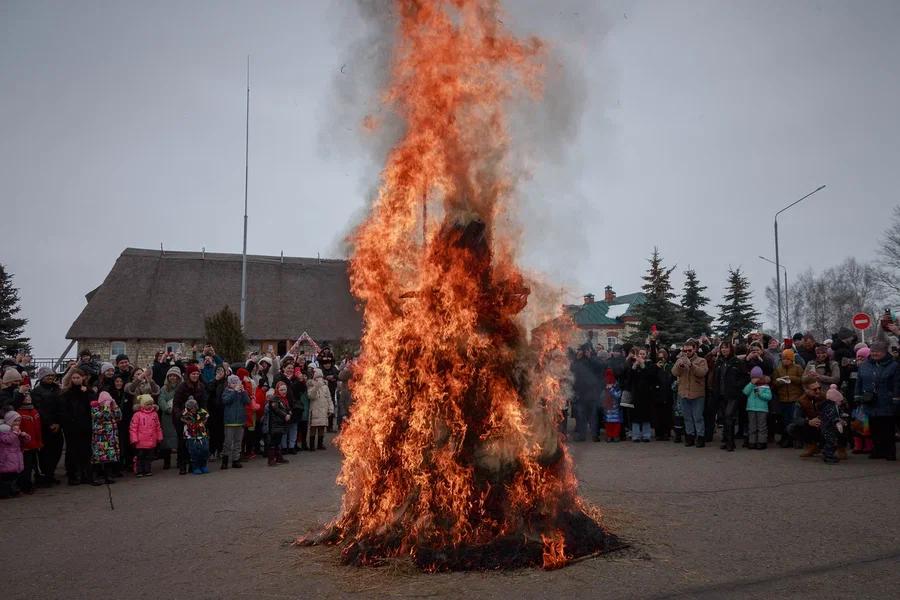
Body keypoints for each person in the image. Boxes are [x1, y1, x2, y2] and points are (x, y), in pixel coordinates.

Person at [855, 340, 899, 461]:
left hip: (887, 401)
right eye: (873, 351)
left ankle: (890, 451)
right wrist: (857, 396)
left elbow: (897, 384)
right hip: (870, 400)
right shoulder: (865, 365)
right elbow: (859, 381)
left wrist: (896, 398)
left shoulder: (894, 365)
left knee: (887, 428)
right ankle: (878, 450)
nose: (874, 354)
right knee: (874, 428)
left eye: (877, 352)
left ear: (884, 352)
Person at [672, 339, 709, 447]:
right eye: (685, 351)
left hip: (697, 394)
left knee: (698, 417)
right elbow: (674, 373)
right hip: (683, 393)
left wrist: (691, 365)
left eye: (689, 350)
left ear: (695, 349)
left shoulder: (701, 360)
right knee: (687, 417)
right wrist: (679, 365)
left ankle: (700, 437)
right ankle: (690, 437)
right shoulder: (680, 359)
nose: (687, 353)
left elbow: (702, 373)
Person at [62, 368, 96, 485]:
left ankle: (85, 475)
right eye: (74, 378)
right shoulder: (67, 393)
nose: (76, 380)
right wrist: (69, 421)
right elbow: (64, 410)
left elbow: (94, 405)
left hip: (85, 425)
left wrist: (87, 392)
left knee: (85, 450)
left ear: (83, 378)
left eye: (78, 377)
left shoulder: (88, 391)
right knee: (72, 451)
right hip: (71, 427)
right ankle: (73, 475)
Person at [30, 367, 63, 486]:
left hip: (57, 425)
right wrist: (50, 423)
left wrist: (58, 422)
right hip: (45, 427)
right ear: (41, 377)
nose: (50, 378)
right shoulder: (37, 392)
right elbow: (40, 410)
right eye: (47, 376)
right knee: (45, 453)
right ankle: (45, 475)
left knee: (57, 450)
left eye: (51, 376)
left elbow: (61, 407)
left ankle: (50, 473)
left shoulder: (57, 389)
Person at [714, 342, 748, 452]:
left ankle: (730, 442)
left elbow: (744, 378)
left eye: (726, 348)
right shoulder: (719, 361)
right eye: (722, 348)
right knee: (724, 418)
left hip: (733, 395)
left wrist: (736, 387)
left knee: (729, 416)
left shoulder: (737, 362)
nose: (724, 350)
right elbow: (716, 378)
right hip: (721, 394)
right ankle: (726, 440)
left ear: (731, 349)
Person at [173, 364, 206, 474]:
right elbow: (176, 404)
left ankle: (193, 464)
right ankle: (182, 465)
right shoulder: (182, 387)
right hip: (183, 419)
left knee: (195, 442)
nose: (195, 375)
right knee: (183, 443)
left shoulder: (201, 386)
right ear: (188, 375)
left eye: (197, 373)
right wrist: (181, 415)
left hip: (196, 419)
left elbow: (203, 403)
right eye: (193, 374)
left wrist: (203, 416)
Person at [772, 349, 805, 448]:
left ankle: (797, 439)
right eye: (783, 359)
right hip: (783, 399)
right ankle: (787, 439)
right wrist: (780, 381)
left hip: (795, 398)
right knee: (785, 420)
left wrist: (792, 378)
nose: (785, 360)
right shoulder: (778, 369)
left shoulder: (798, 368)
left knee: (795, 420)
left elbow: (803, 380)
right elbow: (774, 383)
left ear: (792, 359)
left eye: (787, 359)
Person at [90, 391, 122, 485]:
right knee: (97, 457)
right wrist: (105, 407)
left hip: (111, 437)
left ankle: (108, 476)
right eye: (105, 401)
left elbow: (119, 417)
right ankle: (94, 477)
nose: (107, 403)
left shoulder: (112, 408)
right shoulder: (95, 408)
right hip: (100, 438)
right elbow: (99, 417)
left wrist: (115, 406)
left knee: (109, 457)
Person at [629, 345, 659, 443]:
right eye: (640, 354)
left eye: (643, 354)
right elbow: (629, 378)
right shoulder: (633, 364)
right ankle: (636, 436)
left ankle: (646, 435)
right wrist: (634, 366)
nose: (641, 355)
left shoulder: (650, 364)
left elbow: (651, 377)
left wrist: (643, 365)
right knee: (635, 415)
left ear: (646, 355)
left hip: (647, 394)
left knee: (646, 415)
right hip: (636, 394)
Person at [221, 374, 250, 470]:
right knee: (228, 442)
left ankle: (236, 460)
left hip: (240, 421)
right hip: (229, 421)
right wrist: (234, 391)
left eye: (236, 382)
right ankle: (225, 461)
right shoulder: (226, 391)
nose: (235, 384)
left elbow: (247, 401)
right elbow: (225, 401)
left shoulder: (241, 392)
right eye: (233, 383)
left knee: (238, 442)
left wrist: (243, 392)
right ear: (229, 384)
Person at [129, 395, 162, 477]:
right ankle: (139, 470)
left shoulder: (154, 414)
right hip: (140, 441)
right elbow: (133, 428)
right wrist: (134, 438)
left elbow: (158, 426)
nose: (150, 406)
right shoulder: (137, 415)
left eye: (151, 404)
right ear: (143, 405)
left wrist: (159, 436)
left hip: (151, 441)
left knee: (149, 457)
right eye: (147, 404)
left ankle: (147, 470)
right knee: (140, 457)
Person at [15, 391, 42, 493]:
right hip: (25, 444)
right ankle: (25, 485)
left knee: (33, 465)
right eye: (25, 397)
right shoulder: (19, 413)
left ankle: (32, 481)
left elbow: (38, 429)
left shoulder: (34, 411)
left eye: (29, 396)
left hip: (35, 442)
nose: (28, 398)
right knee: (26, 466)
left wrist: (39, 441)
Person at [0, 411, 31, 498]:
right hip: (6, 457)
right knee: (7, 476)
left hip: (15, 455)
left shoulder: (15, 430)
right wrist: (15, 433)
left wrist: (24, 436)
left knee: (14, 475)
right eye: (15, 421)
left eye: (19, 421)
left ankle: (13, 490)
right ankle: (5, 493)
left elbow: (24, 442)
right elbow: (7, 440)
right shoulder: (3, 430)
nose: (17, 423)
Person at [156, 366, 182, 469]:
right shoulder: (164, 388)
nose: (173, 377)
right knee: (166, 439)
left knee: (179, 438)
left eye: (175, 375)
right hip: (167, 417)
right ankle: (166, 461)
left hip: (178, 415)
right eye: (170, 375)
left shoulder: (181, 387)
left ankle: (180, 460)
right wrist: (167, 409)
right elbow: (161, 400)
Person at [263, 380, 292, 466]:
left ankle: (278, 457)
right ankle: (271, 459)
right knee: (273, 442)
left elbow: (287, 408)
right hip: (274, 424)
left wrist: (289, 412)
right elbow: (276, 410)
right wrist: (285, 415)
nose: (284, 391)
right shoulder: (274, 398)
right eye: (282, 390)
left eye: (285, 389)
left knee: (278, 441)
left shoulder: (284, 399)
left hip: (280, 424)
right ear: (277, 390)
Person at [743, 366, 771, 450]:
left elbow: (769, 397)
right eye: (753, 377)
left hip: (762, 409)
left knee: (761, 426)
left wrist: (760, 394)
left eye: (757, 377)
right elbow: (745, 392)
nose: (755, 379)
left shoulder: (765, 386)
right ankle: (752, 442)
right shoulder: (751, 385)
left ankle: (761, 442)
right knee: (752, 426)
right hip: (751, 408)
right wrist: (751, 384)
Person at [819, 385, 846, 465]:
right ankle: (828, 455)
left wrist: (843, 417)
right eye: (840, 400)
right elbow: (832, 416)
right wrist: (837, 421)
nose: (840, 402)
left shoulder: (835, 406)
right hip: (828, 428)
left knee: (833, 441)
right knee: (831, 442)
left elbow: (839, 413)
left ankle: (828, 454)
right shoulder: (829, 407)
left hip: (831, 428)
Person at [182, 398, 210, 475]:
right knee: (194, 452)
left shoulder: (201, 412)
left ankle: (203, 465)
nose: (193, 409)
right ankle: (195, 467)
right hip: (191, 436)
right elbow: (184, 418)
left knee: (205, 450)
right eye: (191, 407)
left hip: (202, 434)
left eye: (194, 407)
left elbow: (206, 416)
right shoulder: (185, 413)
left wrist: (202, 422)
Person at [205, 365, 227, 460]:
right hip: (213, 411)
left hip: (222, 411)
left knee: (221, 432)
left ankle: (220, 450)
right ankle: (212, 451)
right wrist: (215, 380)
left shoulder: (226, 383)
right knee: (213, 432)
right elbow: (209, 390)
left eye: (221, 371)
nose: (220, 372)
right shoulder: (211, 382)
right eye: (218, 371)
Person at [307, 368, 333, 450]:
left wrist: (331, 409)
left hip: (323, 410)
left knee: (322, 427)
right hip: (314, 410)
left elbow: (329, 398)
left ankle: (320, 444)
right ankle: (311, 445)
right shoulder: (310, 385)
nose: (320, 380)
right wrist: (316, 387)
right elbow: (311, 396)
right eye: (317, 378)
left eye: (321, 378)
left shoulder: (325, 387)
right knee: (313, 427)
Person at [320, 355, 340, 432]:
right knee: (323, 410)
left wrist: (333, 376)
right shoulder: (320, 369)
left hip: (332, 391)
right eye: (325, 363)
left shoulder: (334, 368)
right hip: (323, 393)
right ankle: (322, 426)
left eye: (329, 363)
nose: (327, 365)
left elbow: (339, 375)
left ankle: (330, 427)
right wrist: (326, 378)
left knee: (331, 409)